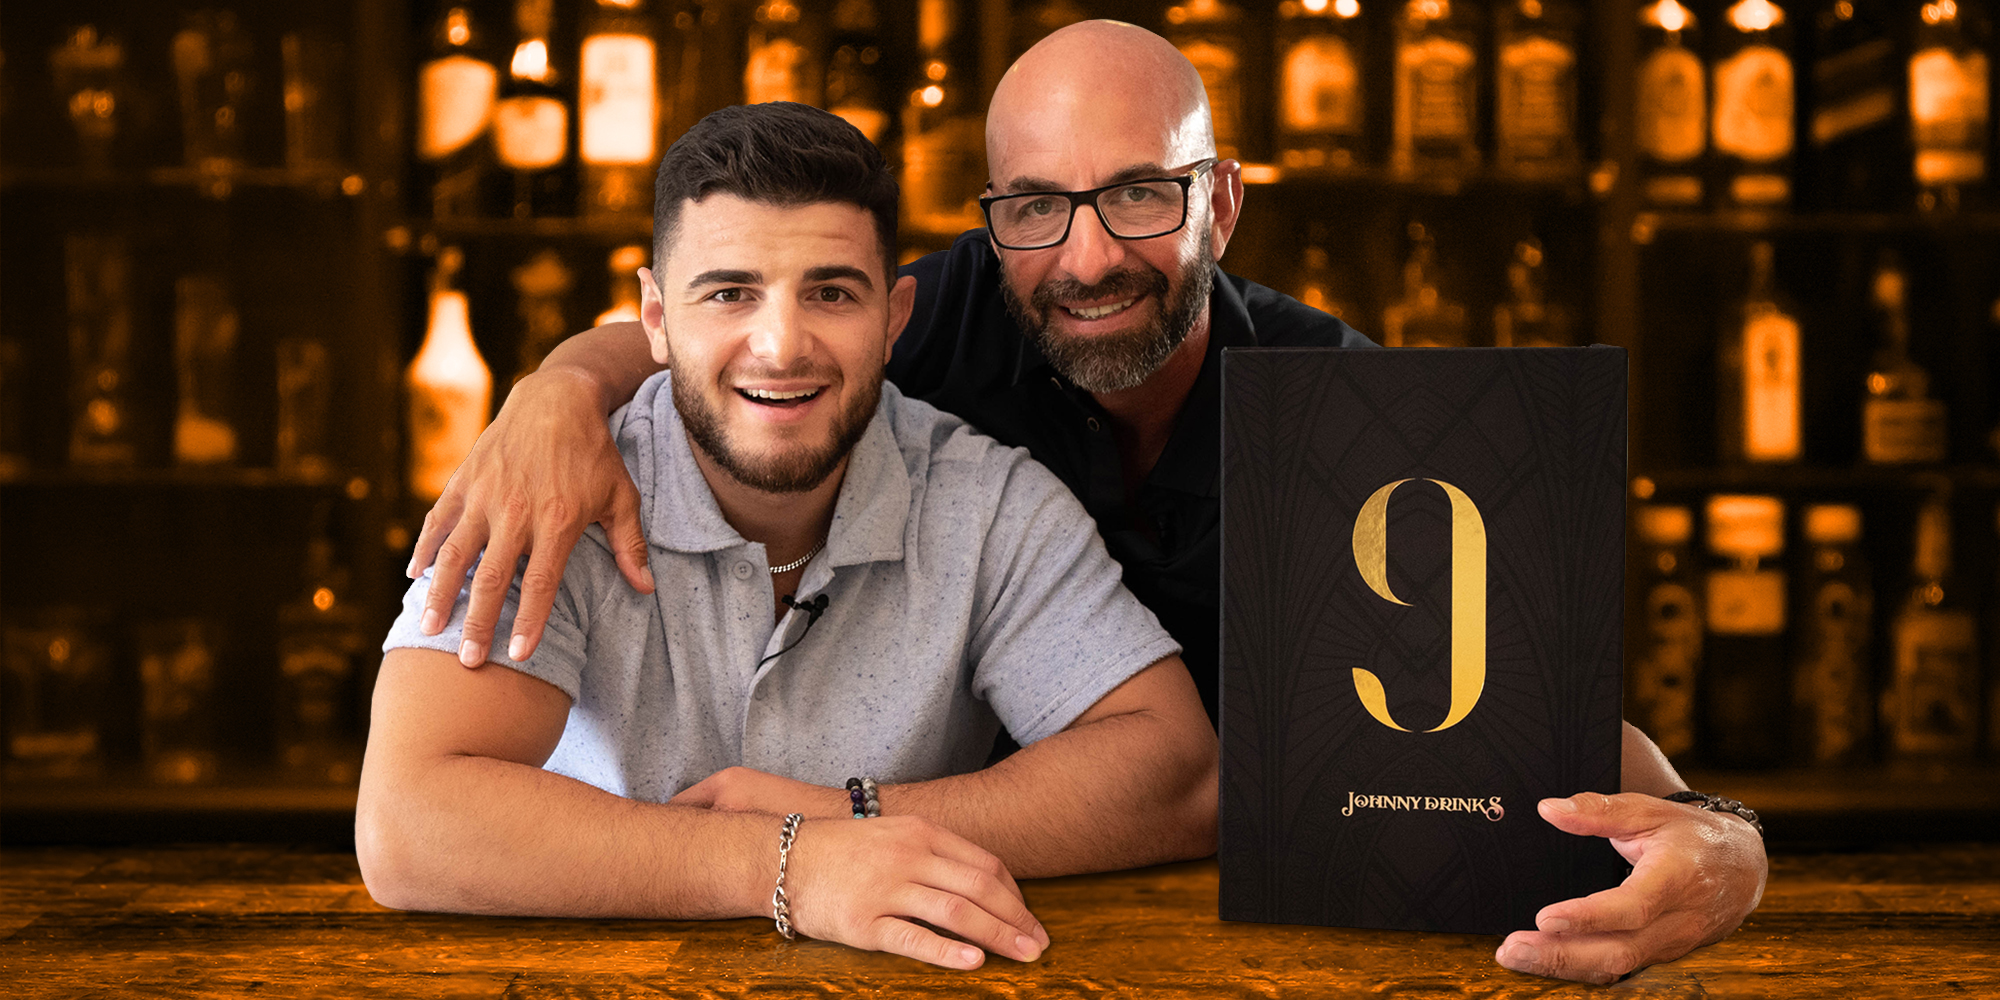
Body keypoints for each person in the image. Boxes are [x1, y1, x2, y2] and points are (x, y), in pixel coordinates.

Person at [403, 20, 1768, 986]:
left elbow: (1513, 723)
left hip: (1202, 921)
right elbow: (723, 319)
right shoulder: (912, 323)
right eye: (1041, 208)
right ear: (990, 223)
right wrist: (554, 397)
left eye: (1139, 196)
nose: (1090, 254)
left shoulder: (1341, 401)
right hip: (953, 914)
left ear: (1221, 205)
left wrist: (1723, 838)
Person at [358, 101, 1218, 972]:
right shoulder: (559, 484)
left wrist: (853, 817)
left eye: (832, 293)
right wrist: (790, 862)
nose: (780, 346)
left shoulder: (986, 500)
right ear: (655, 317)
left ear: (894, 316)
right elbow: (406, 820)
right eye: (730, 293)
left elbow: (1180, 775)